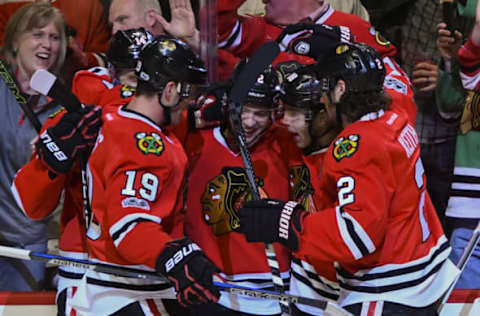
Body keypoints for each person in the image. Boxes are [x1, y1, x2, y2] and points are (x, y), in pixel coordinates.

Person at [235, 42, 458, 315]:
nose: (323, 98)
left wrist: (286, 222)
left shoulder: (355, 144)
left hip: (387, 289)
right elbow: (394, 78)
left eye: (325, 90)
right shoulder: (395, 116)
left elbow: (357, 234)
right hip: (424, 278)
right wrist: (341, 41)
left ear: (340, 90)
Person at [72, 35, 219, 315]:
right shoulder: (144, 145)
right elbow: (130, 226)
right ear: (170, 90)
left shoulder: (117, 120)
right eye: (188, 95)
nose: (189, 104)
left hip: (111, 287)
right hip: (127, 290)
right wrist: (176, 257)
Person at [11, 27, 152, 315]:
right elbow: (29, 204)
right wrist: (56, 155)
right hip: (87, 273)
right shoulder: (79, 113)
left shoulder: (170, 114)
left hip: (155, 272)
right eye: (133, 79)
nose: (140, 93)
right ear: (112, 72)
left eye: (150, 81)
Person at [184, 63, 294, 316]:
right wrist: (193, 115)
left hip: (276, 293)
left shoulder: (285, 143)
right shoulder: (195, 139)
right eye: (243, 109)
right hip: (213, 291)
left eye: (261, 113)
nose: (250, 122)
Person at [0, 1, 67, 291]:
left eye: (54, 37)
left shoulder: (66, 104)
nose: (47, 44)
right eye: (37, 34)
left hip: (28, 242)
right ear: (15, 40)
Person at [435, 0, 480, 289]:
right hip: (471, 207)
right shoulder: (472, 68)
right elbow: (449, 108)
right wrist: (451, 60)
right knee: (461, 304)